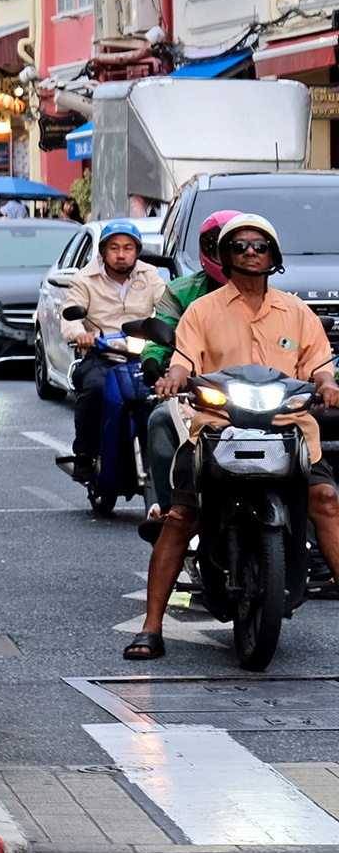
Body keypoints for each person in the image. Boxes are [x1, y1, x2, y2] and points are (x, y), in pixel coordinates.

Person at [132, 215, 339, 661]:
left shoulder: (298, 312)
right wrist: (173, 377)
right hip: (218, 428)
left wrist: (327, 384)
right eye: (239, 245)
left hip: (289, 427)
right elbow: (183, 360)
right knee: (181, 516)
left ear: (273, 256)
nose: (250, 252)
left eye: (259, 246)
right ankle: (151, 626)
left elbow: (321, 364)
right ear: (224, 257)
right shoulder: (201, 311)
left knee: (326, 499)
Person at [133, 211, 238, 544]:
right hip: (200, 393)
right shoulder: (184, 296)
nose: (246, 255)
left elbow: (307, 350)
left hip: (255, 395)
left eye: (253, 247)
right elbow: (166, 338)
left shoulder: (281, 301)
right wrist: (154, 362)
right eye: (226, 246)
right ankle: (171, 513)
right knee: (161, 420)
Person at [59, 220, 168, 482]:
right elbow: (70, 317)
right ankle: (84, 456)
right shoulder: (84, 279)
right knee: (95, 391)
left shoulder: (150, 275)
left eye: (128, 248)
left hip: (142, 354)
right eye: (114, 248)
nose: (121, 254)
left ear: (137, 251)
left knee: (169, 393)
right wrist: (81, 335)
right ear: (103, 252)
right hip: (102, 355)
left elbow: (168, 308)